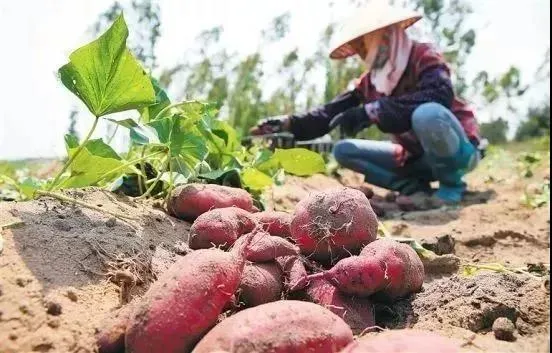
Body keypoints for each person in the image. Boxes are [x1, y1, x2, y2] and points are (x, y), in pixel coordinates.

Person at [250, 1, 484, 207]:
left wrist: (373, 111)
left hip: (458, 152)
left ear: (385, 34)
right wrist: (288, 123)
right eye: (357, 46)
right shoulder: (370, 82)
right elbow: (328, 113)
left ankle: (451, 187)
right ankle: (414, 188)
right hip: (415, 157)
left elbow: (439, 94)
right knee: (344, 151)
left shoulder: (422, 56)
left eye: (363, 42)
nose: (360, 51)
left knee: (428, 114)